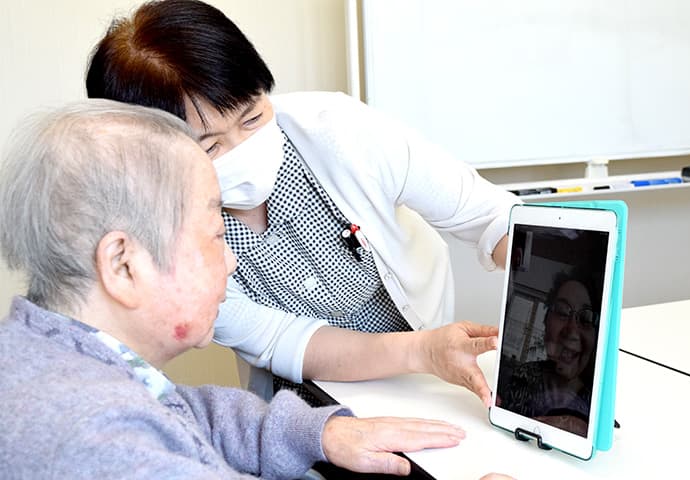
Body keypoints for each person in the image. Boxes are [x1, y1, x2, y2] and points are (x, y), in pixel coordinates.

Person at [0, 99, 503, 479]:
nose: (234, 257)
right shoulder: (99, 440)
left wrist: (319, 431)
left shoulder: (57, 358)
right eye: (216, 235)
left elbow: (186, 412)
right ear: (124, 264)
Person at [85, 0, 521, 404]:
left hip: (420, 375)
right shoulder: (164, 239)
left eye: (253, 117)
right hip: (308, 397)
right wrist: (421, 352)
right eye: (211, 148)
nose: (244, 147)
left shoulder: (342, 133)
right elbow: (281, 340)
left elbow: (488, 215)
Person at [496, 269, 600, 437]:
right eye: (561, 312)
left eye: (586, 318)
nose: (571, 330)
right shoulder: (523, 376)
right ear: (546, 323)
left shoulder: (599, 403)